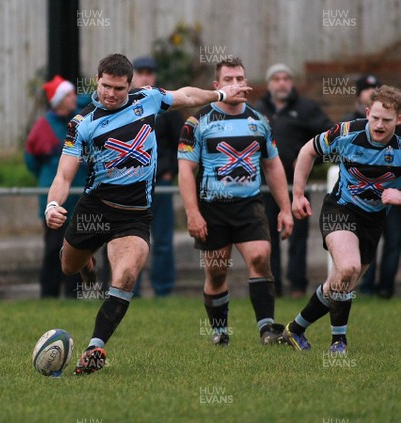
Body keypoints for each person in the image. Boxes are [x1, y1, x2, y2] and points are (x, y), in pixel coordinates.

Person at [45, 53, 251, 375]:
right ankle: (86, 261)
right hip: (94, 210)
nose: (111, 94)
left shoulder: (149, 99)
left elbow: (186, 96)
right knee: (68, 266)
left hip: (135, 216)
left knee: (125, 277)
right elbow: (63, 176)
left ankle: (95, 347)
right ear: (96, 80)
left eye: (119, 88)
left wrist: (221, 94)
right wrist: (53, 206)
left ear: (131, 85)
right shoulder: (81, 124)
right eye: (105, 87)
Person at [178, 57, 294, 347]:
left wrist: (285, 209)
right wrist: (192, 214)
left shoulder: (259, 121)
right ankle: (220, 331)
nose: (235, 84)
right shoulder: (197, 122)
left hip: (249, 205)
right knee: (217, 272)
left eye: (240, 79)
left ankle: (267, 330)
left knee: (259, 257)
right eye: (228, 79)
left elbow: (273, 166)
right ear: (217, 86)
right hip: (211, 208)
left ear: (247, 83)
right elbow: (185, 171)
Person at [283, 85, 401, 354]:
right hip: (341, 209)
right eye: (375, 118)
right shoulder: (347, 132)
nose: (380, 125)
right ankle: (339, 342)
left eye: (388, 120)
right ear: (368, 113)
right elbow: (307, 151)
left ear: (399, 120)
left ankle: (295, 329)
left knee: (340, 282)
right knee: (348, 268)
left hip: (373, 221)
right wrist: (298, 194)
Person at [255, 63, 333, 298]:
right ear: (269, 84)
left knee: (298, 236)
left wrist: (309, 161)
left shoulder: (307, 109)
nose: (281, 82)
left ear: (292, 82)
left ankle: (298, 286)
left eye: (286, 78)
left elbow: (330, 138)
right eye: (276, 78)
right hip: (267, 186)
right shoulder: (257, 110)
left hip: (298, 185)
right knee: (270, 236)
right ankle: (274, 286)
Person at [25, 75, 88, 298]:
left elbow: (93, 98)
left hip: (80, 197)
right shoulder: (44, 125)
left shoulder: (79, 118)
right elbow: (30, 159)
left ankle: (74, 295)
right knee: (53, 248)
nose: (75, 98)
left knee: (76, 249)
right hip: (54, 198)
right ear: (60, 100)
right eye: (70, 95)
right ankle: (49, 294)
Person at [130, 56, 184, 297]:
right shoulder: (123, 104)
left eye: (149, 72)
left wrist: (170, 170)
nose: (145, 77)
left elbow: (181, 144)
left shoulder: (165, 105)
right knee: (131, 238)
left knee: (162, 238)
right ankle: (130, 288)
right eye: (140, 72)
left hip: (160, 182)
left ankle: (163, 290)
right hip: (130, 183)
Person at [344, 75, 401, 299]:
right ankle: (365, 287)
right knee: (366, 243)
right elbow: (315, 149)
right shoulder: (350, 127)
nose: (380, 124)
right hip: (362, 202)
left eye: (387, 119)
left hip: (392, 198)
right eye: (365, 88)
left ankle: (386, 287)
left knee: (393, 241)